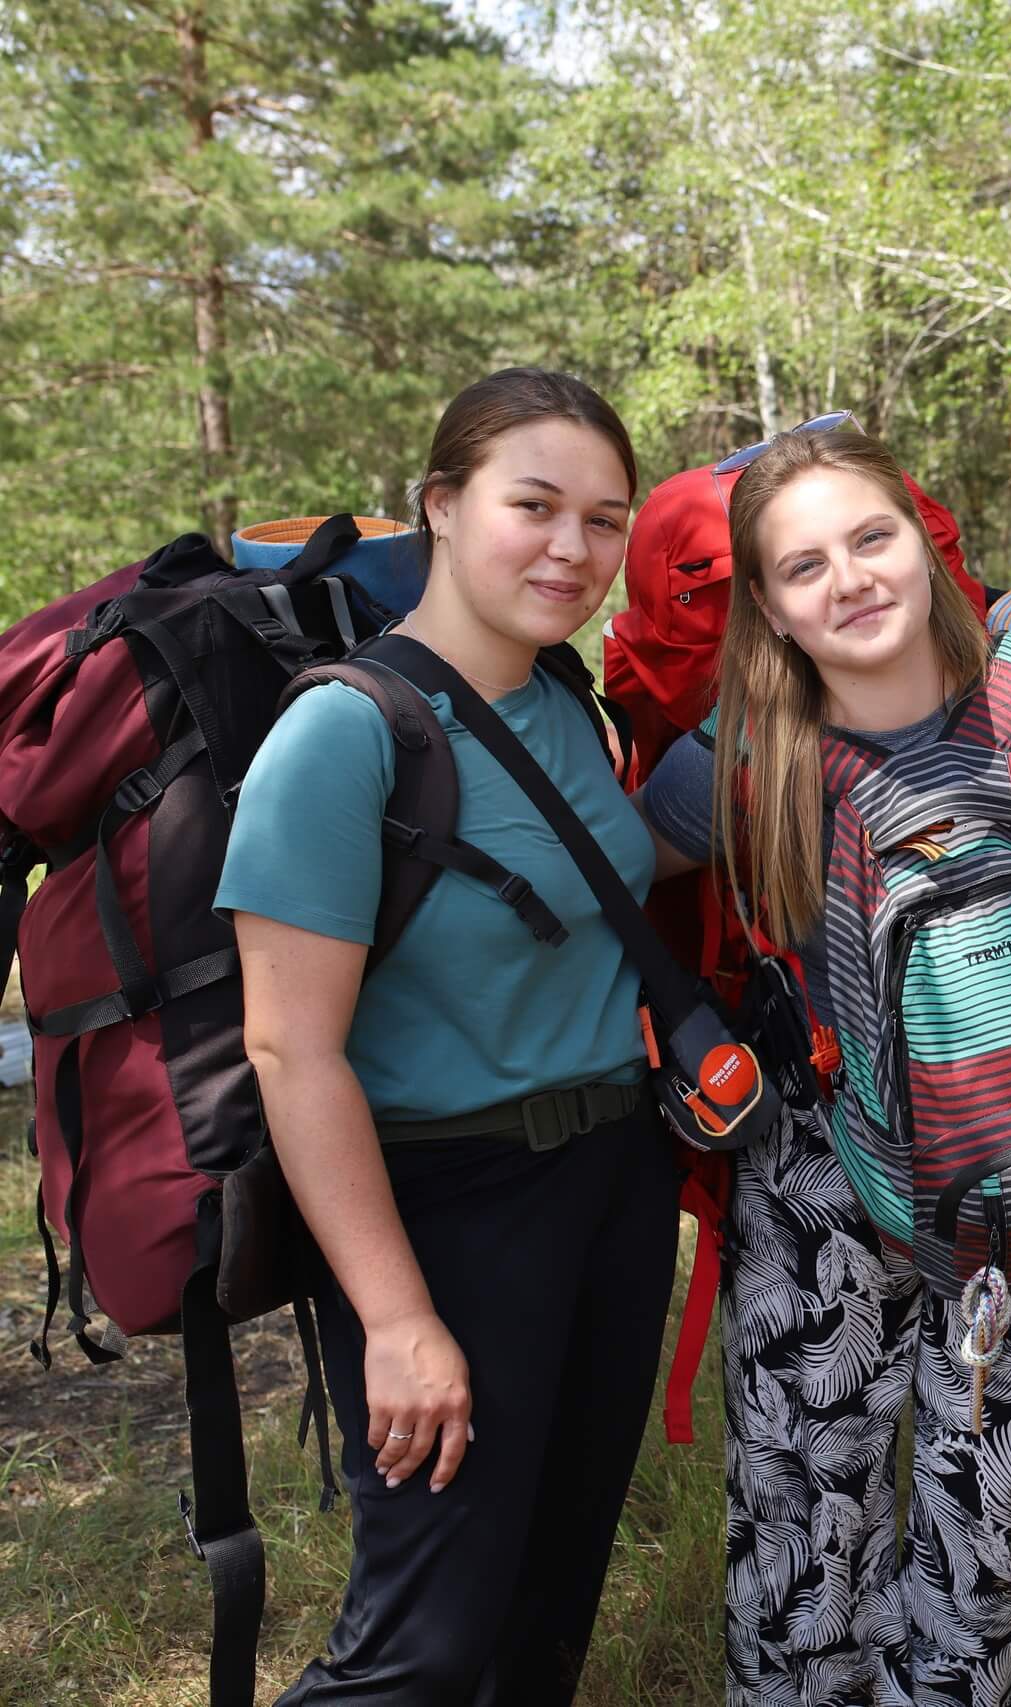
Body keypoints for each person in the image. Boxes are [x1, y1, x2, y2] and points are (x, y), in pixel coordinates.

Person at [638, 422, 1011, 1706]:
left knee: (993, 1516)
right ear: (767, 606)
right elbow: (600, 880)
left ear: (925, 543)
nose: (848, 579)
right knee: (806, 1504)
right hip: (819, 1173)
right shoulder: (740, 754)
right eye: (804, 565)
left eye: (871, 537)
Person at [223, 367, 673, 1703]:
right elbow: (291, 1050)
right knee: (423, 1642)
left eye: (604, 519)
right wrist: (398, 1316)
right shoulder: (344, 733)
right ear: (440, 504)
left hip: (613, 1184)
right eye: (533, 505)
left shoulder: (567, 702)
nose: (573, 548)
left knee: (546, 1608)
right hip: (448, 1209)